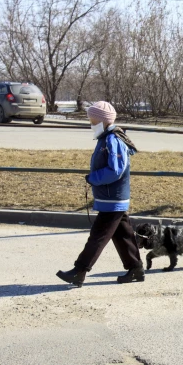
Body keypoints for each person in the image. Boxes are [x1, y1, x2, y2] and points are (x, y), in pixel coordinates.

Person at [56, 101, 144, 286]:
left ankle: (79, 271)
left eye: (92, 119)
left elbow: (115, 171)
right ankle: (136, 269)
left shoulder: (113, 140)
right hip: (112, 198)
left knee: (98, 236)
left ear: (102, 120)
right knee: (123, 235)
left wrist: (93, 178)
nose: (90, 122)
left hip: (113, 199)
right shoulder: (106, 137)